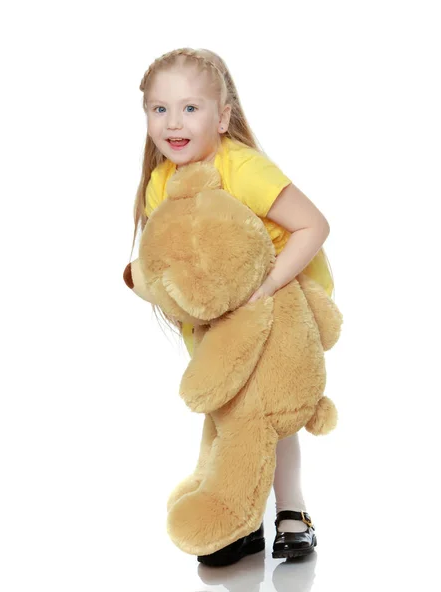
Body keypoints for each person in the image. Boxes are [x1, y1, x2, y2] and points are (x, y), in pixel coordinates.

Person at [129, 47, 335, 565]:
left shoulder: (241, 167)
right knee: (230, 409)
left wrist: (264, 289)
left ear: (222, 117)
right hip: (220, 317)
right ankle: (240, 521)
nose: (173, 123)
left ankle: (291, 509)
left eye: (190, 108)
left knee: (269, 413)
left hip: (278, 306)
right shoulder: (161, 181)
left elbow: (314, 226)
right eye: (160, 109)